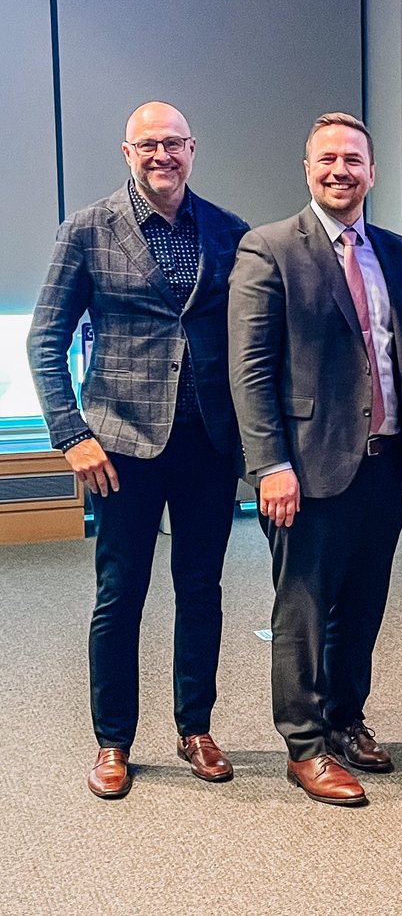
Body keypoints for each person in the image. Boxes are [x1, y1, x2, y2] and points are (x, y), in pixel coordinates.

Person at [26, 101, 248, 798]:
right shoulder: (88, 230)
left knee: (202, 590)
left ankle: (196, 727)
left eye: (174, 144)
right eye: (148, 144)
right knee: (120, 596)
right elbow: (44, 341)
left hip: (209, 442)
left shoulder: (227, 231)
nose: (163, 156)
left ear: (193, 149)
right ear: (127, 152)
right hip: (120, 446)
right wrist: (73, 435)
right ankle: (113, 740)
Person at [228, 112, 402, 806]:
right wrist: (270, 465)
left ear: (372, 171)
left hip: (382, 462)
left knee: (363, 607)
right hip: (304, 468)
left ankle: (345, 719)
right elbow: (250, 370)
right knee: (302, 610)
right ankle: (304, 745)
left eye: (354, 161)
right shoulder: (269, 248)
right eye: (328, 159)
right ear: (308, 168)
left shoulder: (395, 251)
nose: (341, 171)